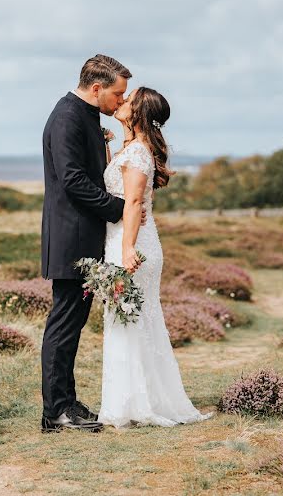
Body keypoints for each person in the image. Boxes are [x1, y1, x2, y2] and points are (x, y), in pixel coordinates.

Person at [40, 54, 145, 433]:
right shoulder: (67, 116)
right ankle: (56, 413)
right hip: (70, 239)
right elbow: (72, 180)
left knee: (74, 322)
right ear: (97, 88)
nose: (121, 101)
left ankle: (65, 402)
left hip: (84, 237)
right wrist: (119, 209)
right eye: (117, 93)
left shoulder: (85, 116)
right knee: (64, 323)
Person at [98, 86, 213, 428]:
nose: (122, 102)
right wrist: (107, 144)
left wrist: (128, 248)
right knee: (132, 320)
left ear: (139, 113)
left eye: (129, 100)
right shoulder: (130, 149)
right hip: (126, 239)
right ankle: (134, 400)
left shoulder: (138, 154)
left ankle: (132, 404)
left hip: (131, 245)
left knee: (128, 319)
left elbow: (133, 203)